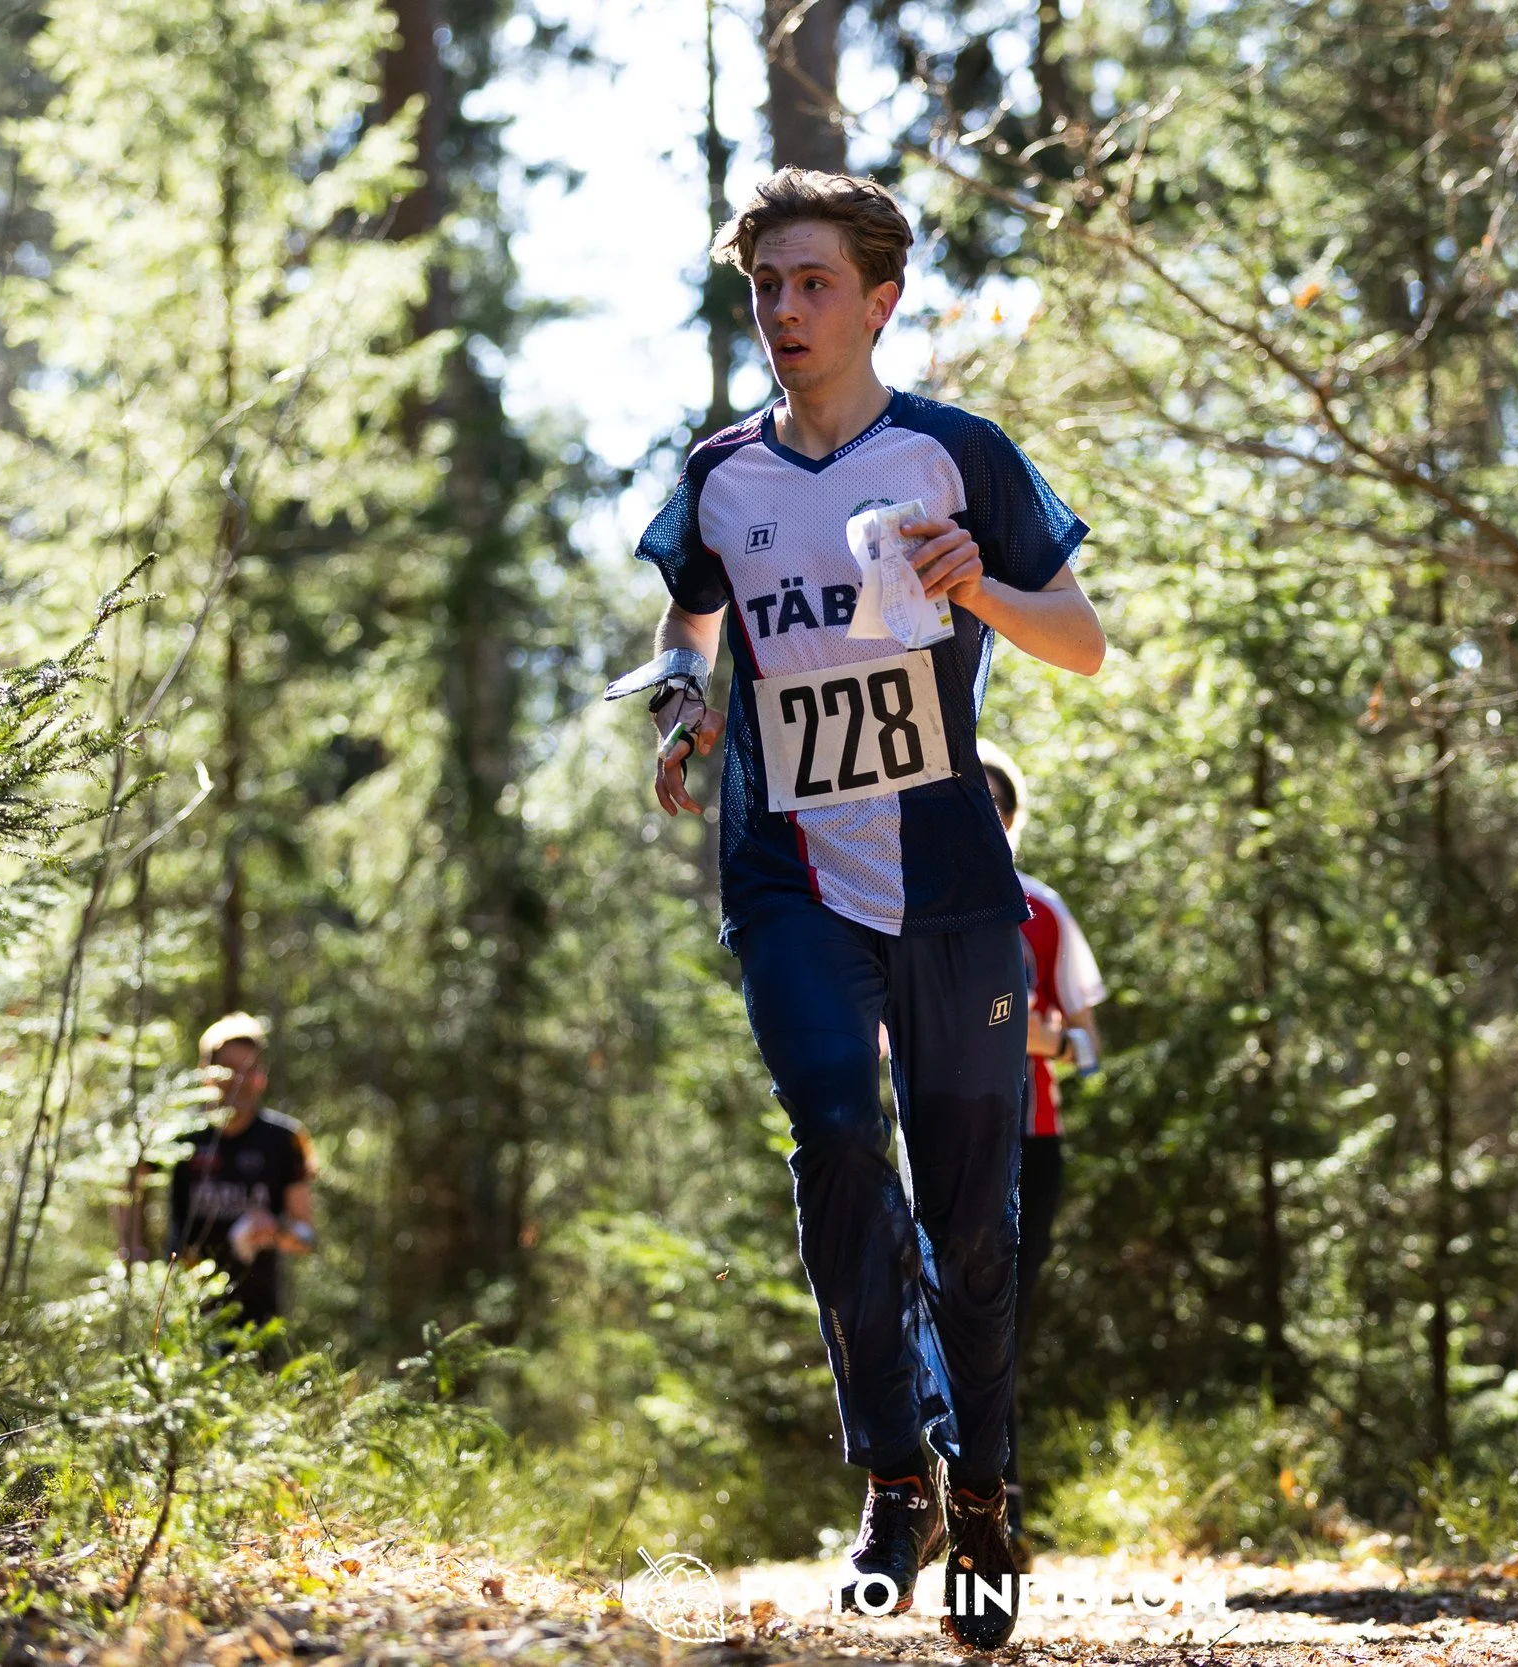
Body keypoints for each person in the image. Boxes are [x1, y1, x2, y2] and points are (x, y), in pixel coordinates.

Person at [616, 168, 1104, 1649]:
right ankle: (893, 1471)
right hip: (789, 872)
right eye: (767, 286)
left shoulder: (959, 454)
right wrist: (691, 702)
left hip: (952, 878)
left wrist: (982, 589)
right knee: (835, 1140)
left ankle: (987, 1491)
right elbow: (687, 613)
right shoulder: (722, 471)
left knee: (973, 1216)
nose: (785, 311)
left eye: (814, 283)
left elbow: (1080, 643)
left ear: (882, 298)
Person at [977, 744, 1107, 1573]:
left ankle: (1002, 1515)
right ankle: (931, 1502)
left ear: (1014, 816)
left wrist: (1045, 1036)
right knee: (942, 1316)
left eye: (995, 800)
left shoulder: (1043, 908)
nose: (983, 811)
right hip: (941, 1137)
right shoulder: (908, 899)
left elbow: (1091, 1044)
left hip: (1033, 1142)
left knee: (1004, 1324)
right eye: (967, 795)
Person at [117, 1012, 320, 1334]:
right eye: (227, 1070)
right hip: (184, 1309)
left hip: (257, 1316)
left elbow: (306, 1237)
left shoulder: (285, 1140)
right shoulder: (180, 1134)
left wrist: (276, 1231)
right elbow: (128, 1180)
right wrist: (132, 1252)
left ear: (262, 1077)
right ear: (205, 1073)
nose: (237, 1082)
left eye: (249, 1070)